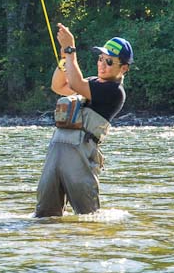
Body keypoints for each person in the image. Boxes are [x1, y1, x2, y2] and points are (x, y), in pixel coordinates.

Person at [34, 23, 134, 217]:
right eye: (100, 59)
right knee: (44, 217)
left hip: (79, 155)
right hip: (56, 151)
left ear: (124, 68)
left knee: (88, 218)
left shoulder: (114, 92)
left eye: (109, 62)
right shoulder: (92, 82)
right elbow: (58, 85)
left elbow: (75, 83)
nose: (102, 64)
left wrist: (71, 50)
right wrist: (65, 57)